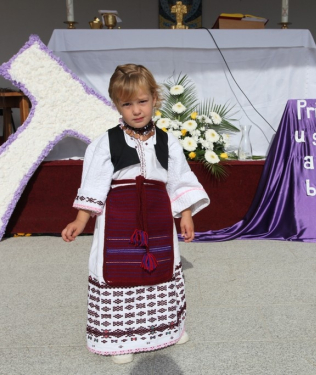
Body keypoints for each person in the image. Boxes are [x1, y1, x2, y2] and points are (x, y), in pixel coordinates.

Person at [61, 64, 209, 364]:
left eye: (142, 101)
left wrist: (186, 213)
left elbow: (180, 178)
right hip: (120, 218)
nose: (136, 110)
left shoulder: (167, 141)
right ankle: (120, 340)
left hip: (157, 217)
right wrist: (80, 219)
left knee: (162, 268)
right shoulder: (106, 142)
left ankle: (169, 328)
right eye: (127, 104)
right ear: (117, 105)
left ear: (155, 98)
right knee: (120, 271)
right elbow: (94, 182)